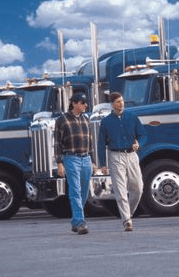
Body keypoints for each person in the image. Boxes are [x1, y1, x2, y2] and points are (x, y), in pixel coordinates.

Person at [98, 91, 146, 232]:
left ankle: (128, 213)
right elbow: (101, 144)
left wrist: (139, 144)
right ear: (112, 105)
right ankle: (127, 221)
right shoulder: (106, 122)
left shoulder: (132, 117)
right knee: (120, 190)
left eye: (122, 101)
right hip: (115, 156)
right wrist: (103, 164)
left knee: (138, 188)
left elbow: (143, 134)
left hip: (132, 156)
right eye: (118, 101)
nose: (121, 103)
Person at [55, 92, 95, 235]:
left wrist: (93, 161)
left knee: (84, 191)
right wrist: (59, 162)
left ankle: (75, 220)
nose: (85, 105)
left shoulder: (86, 119)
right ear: (74, 103)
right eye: (82, 103)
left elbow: (90, 142)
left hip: (86, 159)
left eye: (85, 103)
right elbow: (57, 143)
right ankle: (80, 222)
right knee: (75, 191)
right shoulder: (62, 120)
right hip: (71, 158)